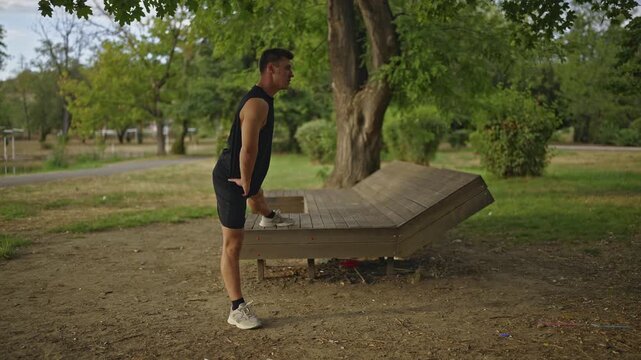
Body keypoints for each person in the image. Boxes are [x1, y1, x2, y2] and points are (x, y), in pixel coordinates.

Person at [212, 48, 295, 330]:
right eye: (287, 68)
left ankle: (269, 217)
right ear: (271, 69)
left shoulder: (264, 100)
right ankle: (236, 308)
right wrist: (246, 183)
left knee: (257, 200)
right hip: (231, 179)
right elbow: (247, 151)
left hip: (246, 178)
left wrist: (252, 186)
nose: (291, 73)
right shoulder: (258, 104)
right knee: (232, 245)